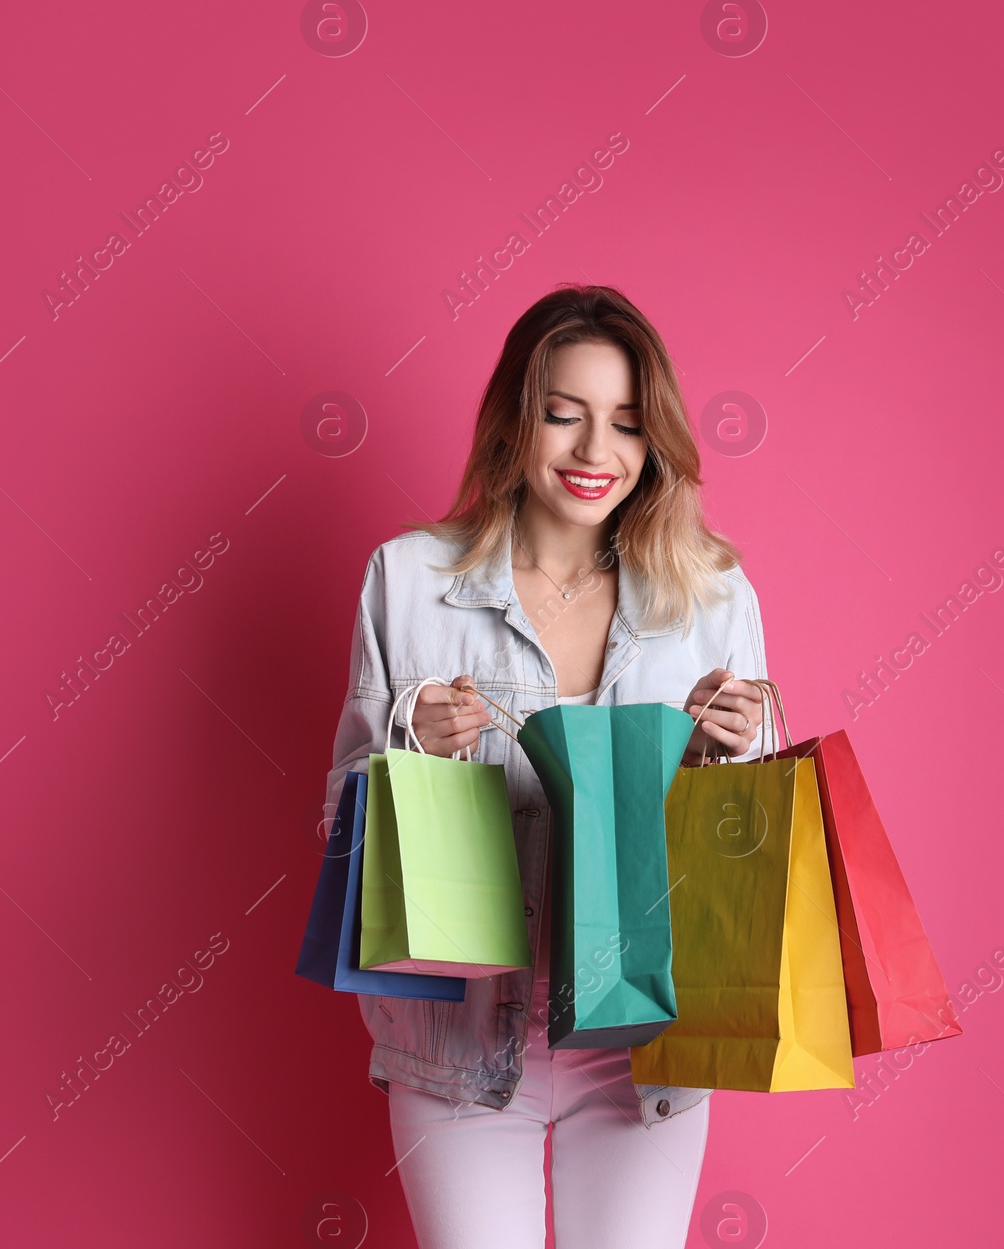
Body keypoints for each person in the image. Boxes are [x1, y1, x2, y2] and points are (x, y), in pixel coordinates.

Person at [324, 284, 771, 1249]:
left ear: (656, 442)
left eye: (625, 424)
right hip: (458, 1053)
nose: (592, 453)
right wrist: (412, 745)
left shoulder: (712, 597)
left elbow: (749, 854)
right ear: (515, 420)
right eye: (563, 415)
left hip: (643, 1053)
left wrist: (730, 756)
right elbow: (337, 829)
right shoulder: (408, 582)